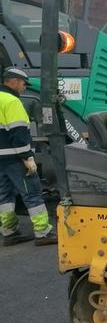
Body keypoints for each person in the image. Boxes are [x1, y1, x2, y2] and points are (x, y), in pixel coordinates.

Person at [0, 68, 56, 246]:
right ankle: (42, 232)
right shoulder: (12, 101)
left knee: (4, 195)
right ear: (13, 81)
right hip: (15, 158)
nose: (25, 87)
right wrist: (27, 157)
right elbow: (18, 133)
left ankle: (9, 232)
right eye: (24, 83)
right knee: (32, 193)